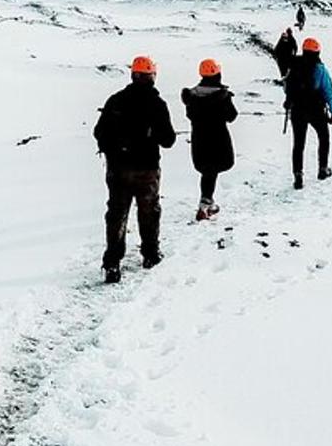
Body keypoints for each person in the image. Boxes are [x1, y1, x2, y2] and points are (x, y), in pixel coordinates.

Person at [93, 55, 177, 283]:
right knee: (149, 211)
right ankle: (150, 254)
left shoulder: (116, 100)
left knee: (117, 214)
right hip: (147, 168)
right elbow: (169, 140)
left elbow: (99, 132)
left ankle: (112, 262)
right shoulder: (157, 104)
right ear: (152, 76)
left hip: (118, 168)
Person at [181, 59, 238, 221]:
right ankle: (205, 204)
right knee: (215, 168)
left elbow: (190, 115)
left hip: (199, 138)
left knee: (207, 170)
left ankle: (206, 202)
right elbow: (232, 116)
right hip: (219, 138)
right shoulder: (222, 96)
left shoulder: (192, 96)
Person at [284, 38, 332, 190]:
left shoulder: (294, 65)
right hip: (315, 108)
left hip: (297, 109)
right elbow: (328, 91)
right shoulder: (320, 69)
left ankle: (298, 175)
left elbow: (287, 87)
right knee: (324, 137)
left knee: (298, 143)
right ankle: (323, 169)